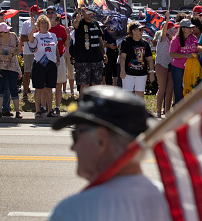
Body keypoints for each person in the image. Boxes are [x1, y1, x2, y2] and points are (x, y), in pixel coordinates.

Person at [49, 86, 171, 221]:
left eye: (76, 135)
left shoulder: (73, 211)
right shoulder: (171, 202)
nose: (73, 147)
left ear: (102, 140)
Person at [169, 19, 202, 105]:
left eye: (192, 27)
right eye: (189, 27)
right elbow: (172, 53)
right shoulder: (176, 39)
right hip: (179, 68)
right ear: (183, 29)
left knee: (192, 87)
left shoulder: (194, 37)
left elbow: (197, 48)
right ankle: (178, 109)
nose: (191, 29)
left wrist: (200, 52)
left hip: (192, 67)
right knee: (179, 89)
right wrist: (185, 55)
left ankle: (189, 108)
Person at [28, 14, 59, 118]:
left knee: (49, 88)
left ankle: (50, 110)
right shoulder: (36, 35)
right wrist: (33, 27)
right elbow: (30, 40)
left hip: (51, 63)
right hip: (39, 63)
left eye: (45, 22)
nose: (44, 24)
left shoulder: (52, 36)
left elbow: (56, 48)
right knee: (39, 88)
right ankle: (38, 110)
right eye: (42, 22)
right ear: (39, 24)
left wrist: (57, 59)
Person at [0, 22, 23, 119]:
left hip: (12, 66)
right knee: (0, 89)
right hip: (0, 66)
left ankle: (17, 111)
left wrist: (13, 55)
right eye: (6, 31)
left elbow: (19, 49)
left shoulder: (13, 36)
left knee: (13, 88)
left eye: (8, 30)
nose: (8, 32)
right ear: (0, 33)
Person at [72, 7, 107, 92]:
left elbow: (100, 40)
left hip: (97, 59)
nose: (91, 14)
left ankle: (95, 104)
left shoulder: (96, 24)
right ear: (83, 14)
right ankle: (83, 104)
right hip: (83, 60)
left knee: (97, 85)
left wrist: (104, 53)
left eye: (92, 12)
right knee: (84, 85)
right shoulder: (80, 23)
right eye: (88, 12)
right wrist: (77, 19)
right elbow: (75, 25)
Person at [120, 22, 155, 98]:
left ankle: (138, 110)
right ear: (133, 31)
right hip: (128, 73)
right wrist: (122, 70)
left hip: (142, 73)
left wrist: (152, 72)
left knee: (140, 93)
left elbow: (149, 58)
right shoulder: (126, 42)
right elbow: (122, 57)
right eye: (139, 30)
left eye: (142, 30)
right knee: (127, 94)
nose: (141, 32)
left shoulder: (145, 43)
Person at [153, 12, 175, 118]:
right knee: (162, 87)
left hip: (171, 64)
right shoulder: (162, 38)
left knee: (169, 88)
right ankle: (158, 110)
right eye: (173, 28)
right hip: (161, 64)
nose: (174, 30)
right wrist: (167, 19)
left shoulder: (174, 40)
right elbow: (164, 30)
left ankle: (167, 110)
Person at [48, 5, 69, 116]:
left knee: (58, 85)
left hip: (59, 59)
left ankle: (57, 107)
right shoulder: (43, 27)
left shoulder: (61, 29)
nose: (50, 14)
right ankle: (47, 107)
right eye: (48, 12)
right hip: (46, 60)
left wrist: (68, 34)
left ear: (56, 15)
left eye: (52, 12)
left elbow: (66, 43)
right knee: (47, 86)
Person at [21, 5, 42, 102]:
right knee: (27, 72)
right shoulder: (26, 24)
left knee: (39, 73)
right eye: (36, 13)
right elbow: (22, 38)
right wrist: (32, 36)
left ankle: (40, 94)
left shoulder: (43, 23)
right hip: (28, 51)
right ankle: (25, 92)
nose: (38, 15)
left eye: (39, 13)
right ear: (31, 13)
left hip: (40, 51)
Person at [102, 23, 119, 87]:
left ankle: (115, 87)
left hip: (118, 52)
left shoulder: (119, 30)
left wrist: (117, 46)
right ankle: (108, 88)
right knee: (108, 71)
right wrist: (109, 45)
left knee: (116, 71)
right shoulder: (106, 30)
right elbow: (103, 43)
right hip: (109, 52)